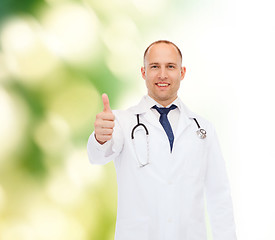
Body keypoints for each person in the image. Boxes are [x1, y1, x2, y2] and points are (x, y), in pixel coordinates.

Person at [87, 40, 237, 240]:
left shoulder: (202, 129)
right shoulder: (122, 122)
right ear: (144, 72)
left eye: (170, 67)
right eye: (155, 66)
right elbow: (97, 156)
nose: (163, 74)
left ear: (182, 73)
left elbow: (219, 197)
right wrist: (100, 137)